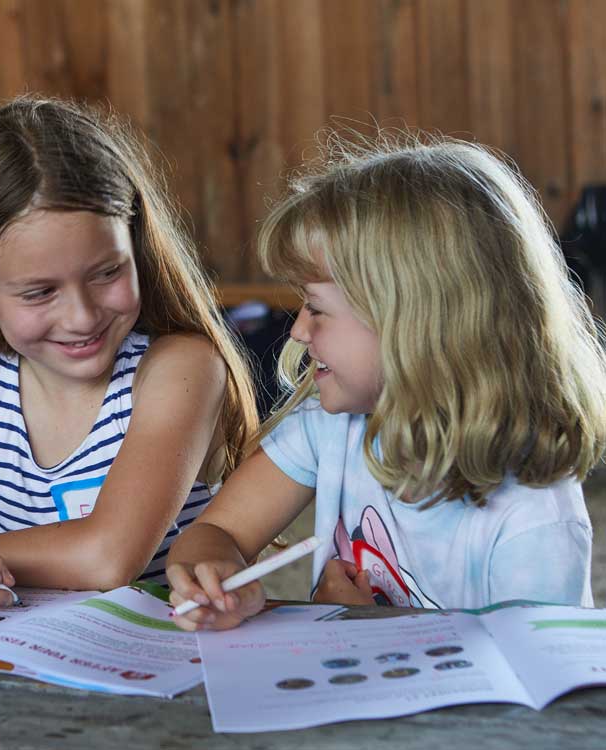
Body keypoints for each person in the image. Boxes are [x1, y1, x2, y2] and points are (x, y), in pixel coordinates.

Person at [167, 134, 606, 630]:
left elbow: (536, 690)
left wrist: (359, 625)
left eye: (316, 308)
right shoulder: (330, 423)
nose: (297, 330)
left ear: (416, 327)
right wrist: (213, 575)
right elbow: (218, 530)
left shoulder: (534, 519)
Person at [0, 95, 258, 625]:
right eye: (40, 292)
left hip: (158, 666)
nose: (82, 316)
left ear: (133, 242)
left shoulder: (179, 367)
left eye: (106, 273)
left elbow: (108, 556)